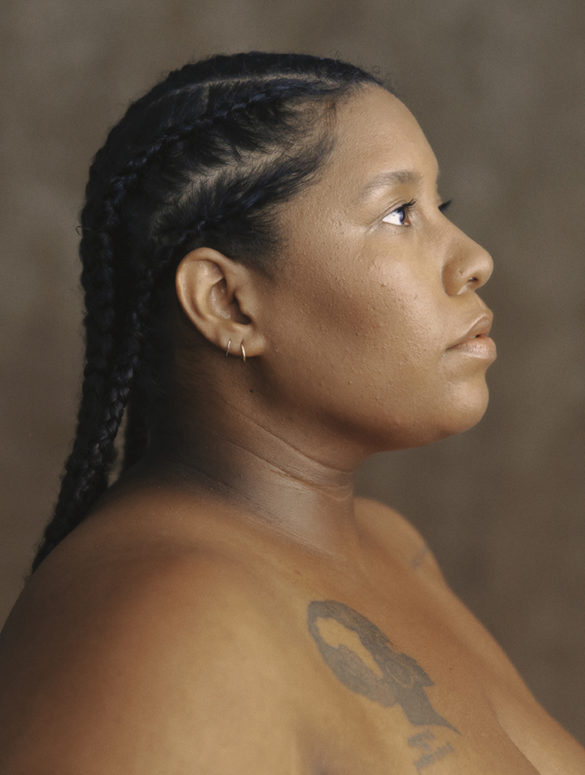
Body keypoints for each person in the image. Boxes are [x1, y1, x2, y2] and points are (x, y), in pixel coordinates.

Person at [0, 52, 583, 774]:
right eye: (398, 214)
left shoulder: (388, 544)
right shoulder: (170, 620)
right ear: (227, 302)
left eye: (442, 208)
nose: (474, 260)